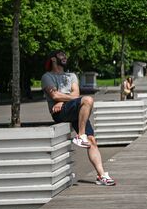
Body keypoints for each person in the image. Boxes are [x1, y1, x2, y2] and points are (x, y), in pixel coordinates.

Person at [41, 50, 116, 186]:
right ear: (53, 59)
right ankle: (81, 135)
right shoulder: (47, 77)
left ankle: (101, 175)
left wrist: (63, 101)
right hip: (59, 113)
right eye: (61, 55)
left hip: (74, 110)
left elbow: (76, 94)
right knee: (87, 100)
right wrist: (61, 100)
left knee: (92, 140)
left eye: (65, 55)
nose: (65, 57)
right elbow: (54, 95)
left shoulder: (71, 76)